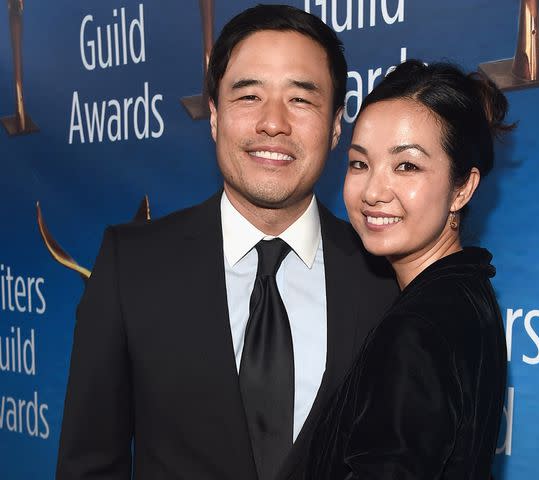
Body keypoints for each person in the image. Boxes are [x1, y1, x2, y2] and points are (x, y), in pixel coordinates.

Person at [55, 5, 397, 480]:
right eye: (248, 96)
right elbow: (89, 466)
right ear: (214, 116)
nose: (273, 122)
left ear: (337, 124)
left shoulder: (385, 277)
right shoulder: (130, 266)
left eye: (301, 100)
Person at [303, 60, 512, 479]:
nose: (373, 192)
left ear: (462, 187)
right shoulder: (467, 296)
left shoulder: (419, 327)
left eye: (407, 166)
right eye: (360, 164)